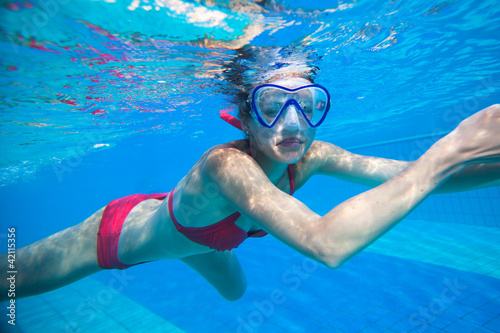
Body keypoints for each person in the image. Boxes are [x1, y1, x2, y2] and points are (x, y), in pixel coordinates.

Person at [1, 47, 499, 303]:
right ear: (241, 119)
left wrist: (463, 165)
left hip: (201, 235)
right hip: (118, 232)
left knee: (237, 293)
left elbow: (414, 175)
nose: (291, 125)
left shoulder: (314, 154)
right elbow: (325, 243)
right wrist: (449, 150)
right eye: (270, 105)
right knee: (9, 285)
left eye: (305, 105)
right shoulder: (227, 164)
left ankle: (184, 249)